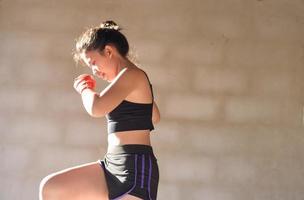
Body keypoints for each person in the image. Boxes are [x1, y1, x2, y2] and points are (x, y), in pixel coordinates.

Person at [39, 20, 161, 200]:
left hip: (135, 168)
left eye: (93, 63)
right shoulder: (130, 80)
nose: (94, 71)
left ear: (109, 51)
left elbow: (96, 108)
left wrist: (84, 88)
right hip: (111, 163)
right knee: (51, 188)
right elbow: (154, 117)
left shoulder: (133, 75)